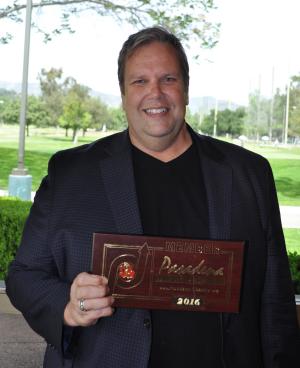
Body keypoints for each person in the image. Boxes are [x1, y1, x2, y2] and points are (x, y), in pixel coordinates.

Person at [6, 26, 300, 368]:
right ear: (123, 94)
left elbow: (275, 302)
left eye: (168, 79)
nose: (155, 93)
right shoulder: (70, 174)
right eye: (140, 81)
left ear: (186, 89)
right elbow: (23, 275)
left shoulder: (249, 174)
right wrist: (69, 306)